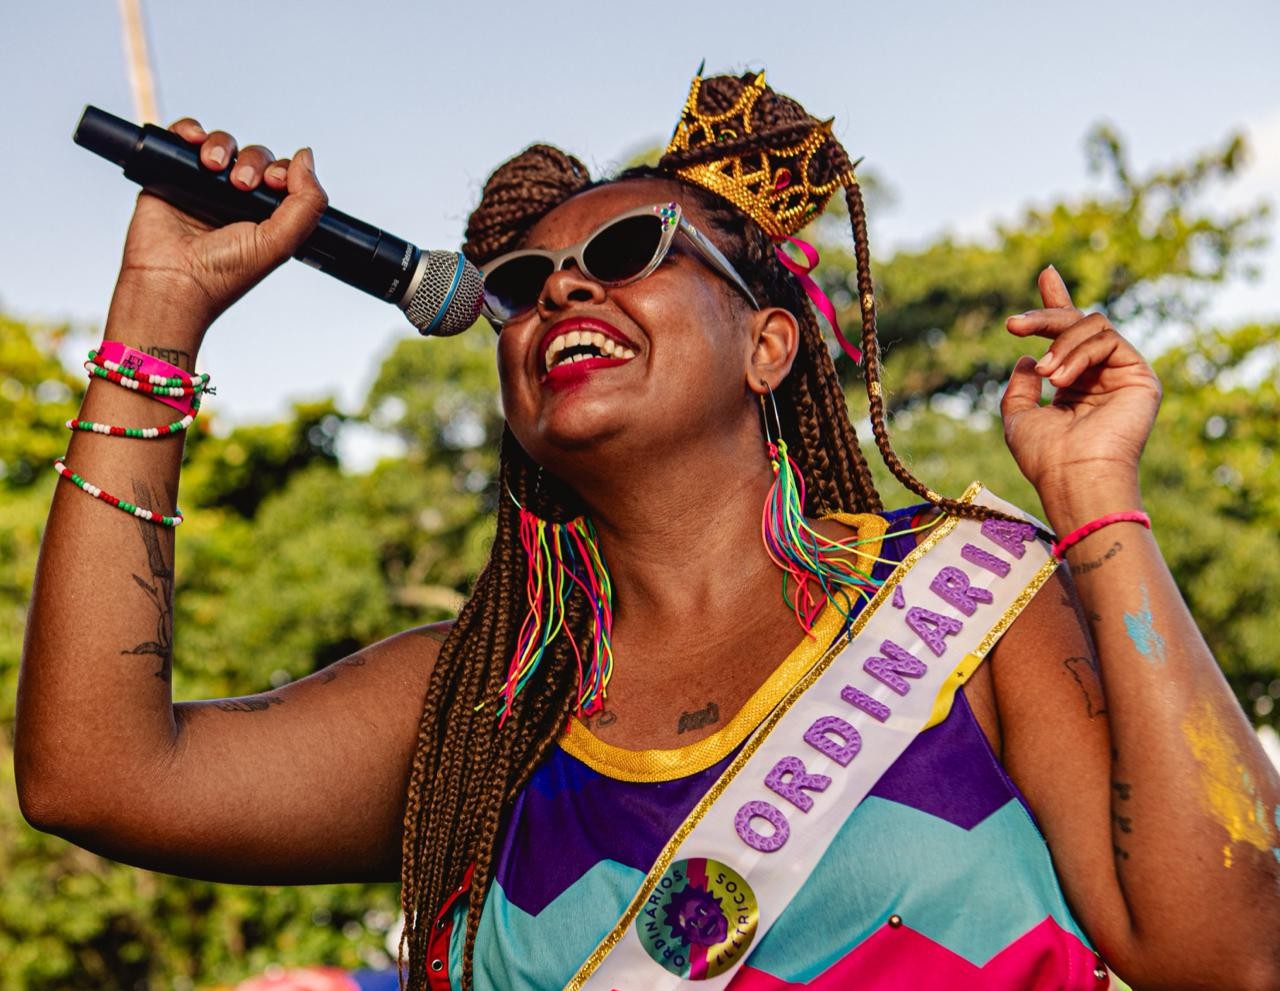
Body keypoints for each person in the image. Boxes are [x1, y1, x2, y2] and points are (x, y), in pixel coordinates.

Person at [15, 69, 1280, 991]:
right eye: (520, 285)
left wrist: (1093, 499)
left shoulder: (969, 598)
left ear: (768, 344)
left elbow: (1230, 954)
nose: (563, 285)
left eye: (630, 250)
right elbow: (94, 777)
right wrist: (158, 317)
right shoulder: (472, 703)